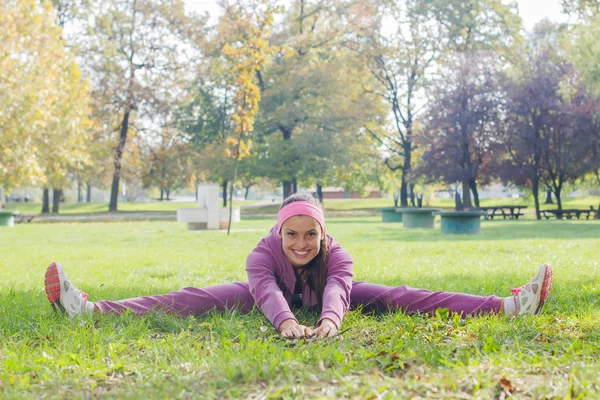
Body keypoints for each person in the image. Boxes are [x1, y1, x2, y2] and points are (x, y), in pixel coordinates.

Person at [44, 194, 553, 339]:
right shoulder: (261, 255)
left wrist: (330, 322)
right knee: (196, 298)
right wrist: (286, 322)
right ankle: (89, 311)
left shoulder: (339, 255)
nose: (303, 242)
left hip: (321, 304)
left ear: (323, 233)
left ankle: (508, 306)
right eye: (293, 234)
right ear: (280, 232)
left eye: (312, 234)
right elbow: (264, 291)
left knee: (404, 295)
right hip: (274, 302)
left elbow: (338, 288)